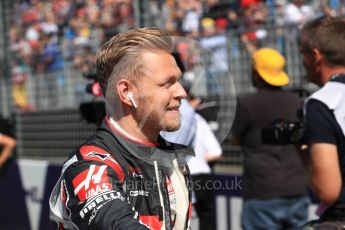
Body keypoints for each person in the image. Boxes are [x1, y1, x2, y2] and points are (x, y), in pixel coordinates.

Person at [49, 27, 193, 230]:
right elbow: (118, 224)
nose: (182, 92)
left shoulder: (174, 161)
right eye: (166, 83)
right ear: (126, 92)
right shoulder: (91, 164)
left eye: (178, 80)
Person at [231, 48, 309, 230]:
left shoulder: (246, 104)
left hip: (262, 192)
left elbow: (236, 141)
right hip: (296, 189)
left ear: (257, 74)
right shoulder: (296, 102)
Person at [300, 16, 345, 229]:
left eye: (303, 53)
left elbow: (328, 190)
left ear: (316, 55)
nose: (302, 61)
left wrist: (301, 150)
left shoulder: (324, 101)